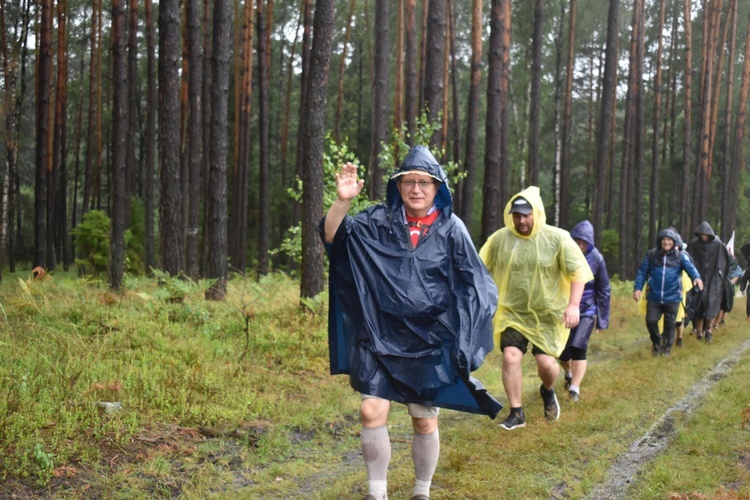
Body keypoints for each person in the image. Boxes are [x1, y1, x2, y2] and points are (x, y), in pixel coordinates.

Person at [320, 145, 502, 500]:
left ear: (438, 188)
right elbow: (334, 239)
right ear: (398, 186)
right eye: (409, 182)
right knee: (371, 409)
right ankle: (377, 493)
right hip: (378, 333)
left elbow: (477, 284)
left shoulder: (452, 229)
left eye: (424, 182)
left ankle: (422, 491)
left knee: (423, 418)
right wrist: (342, 202)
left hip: (429, 341)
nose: (416, 189)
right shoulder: (376, 221)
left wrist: (464, 335)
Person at [479, 186, 593, 431]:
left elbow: (578, 273)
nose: (521, 220)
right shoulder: (501, 239)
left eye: (526, 215)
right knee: (510, 357)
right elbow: (478, 267)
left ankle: (548, 390)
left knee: (546, 364)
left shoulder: (557, 238)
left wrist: (574, 305)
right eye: (517, 215)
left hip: (548, 314)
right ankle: (516, 412)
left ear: (537, 213)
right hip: (512, 311)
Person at [559, 220, 611, 402]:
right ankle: (568, 373)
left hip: (587, 308)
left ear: (590, 243)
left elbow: (604, 288)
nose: (580, 245)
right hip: (563, 307)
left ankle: (575, 389)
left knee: (579, 347)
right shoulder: (562, 252)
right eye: (577, 241)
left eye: (584, 242)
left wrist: (602, 319)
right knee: (562, 352)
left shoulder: (596, 258)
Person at [633, 228, 703, 356]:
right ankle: (656, 342)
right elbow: (642, 272)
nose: (666, 242)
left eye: (669, 240)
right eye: (664, 240)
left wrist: (696, 278)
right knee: (651, 320)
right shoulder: (652, 254)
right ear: (660, 241)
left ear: (674, 242)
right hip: (654, 296)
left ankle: (666, 348)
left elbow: (690, 268)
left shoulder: (680, 256)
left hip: (673, 297)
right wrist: (637, 288)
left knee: (670, 323)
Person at [686, 221, 730, 343]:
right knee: (698, 306)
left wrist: (720, 277)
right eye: (701, 234)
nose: (703, 236)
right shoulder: (694, 244)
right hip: (698, 279)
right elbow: (687, 259)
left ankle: (709, 331)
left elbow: (724, 262)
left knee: (711, 305)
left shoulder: (718, 245)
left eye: (705, 234)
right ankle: (699, 333)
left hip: (713, 280)